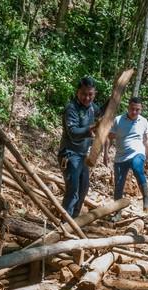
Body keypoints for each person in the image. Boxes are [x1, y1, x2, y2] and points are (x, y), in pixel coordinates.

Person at [104, 96, 148, 219]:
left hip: (137, 152)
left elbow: (145, 141)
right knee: (119, 184)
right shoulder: (118, 120)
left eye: (137, 110)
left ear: (141, 109)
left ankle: (146, 197)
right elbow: (109, 138)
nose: (134, 112)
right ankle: (117, 212)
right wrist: (106, 154)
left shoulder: (143, 121)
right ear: (128, 107)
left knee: (137, 168)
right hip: (121, 156)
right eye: (132, 109)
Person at [58, 76, 100, 218]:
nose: (87, 98)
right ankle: (65, 223)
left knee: (83, 189)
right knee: (73, 189)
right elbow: (73, 133)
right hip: (69, 155)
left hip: (82, 156)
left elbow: (105, 112)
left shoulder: (92, 108)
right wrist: (91, 128)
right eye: (84, 94)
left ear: (94, 94)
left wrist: (115, 96)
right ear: (78, 92)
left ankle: (74, 220)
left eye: (90, 94)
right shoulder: (71, 109)